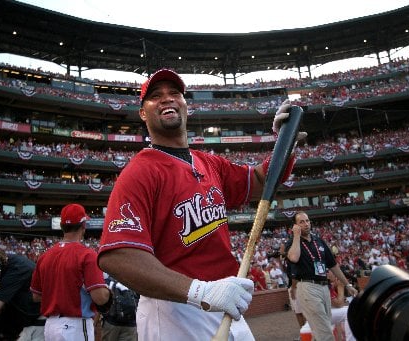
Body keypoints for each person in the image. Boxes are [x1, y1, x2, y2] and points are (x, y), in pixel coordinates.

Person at [97, 68, 305, 340]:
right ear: (143, 113)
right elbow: (117, 255)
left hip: (225, 300)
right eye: (155, 96)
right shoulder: (139, 172)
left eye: (174, 93)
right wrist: (201, 292)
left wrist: (283, 144)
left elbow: (258, 182)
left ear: (185, 105)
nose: (167, 99)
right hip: (176, 308)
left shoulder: (209, 162)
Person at [31, 203, 111, 341]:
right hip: (75, 326)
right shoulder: (87, 255)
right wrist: (108, 292)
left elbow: (36, 296)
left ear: (62, 226)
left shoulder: (45, 255)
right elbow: (100, 298)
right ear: (83, 226)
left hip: (50, 326)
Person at [285, 211, 358, 341]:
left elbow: (333, 265)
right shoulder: (293, 242)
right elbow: (294, 258)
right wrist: (296, 236)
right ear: (295, 226)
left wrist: (348, 285)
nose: (306, 224)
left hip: (324, 287)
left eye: (307, 220)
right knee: (324, 333)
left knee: (322, 330)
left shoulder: (318, 241)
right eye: (301, 222)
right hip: (308, 287)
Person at [101, 274, 139, 341]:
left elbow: (102, 302)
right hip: (131, 323)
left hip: (111, 322)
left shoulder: (108, 280)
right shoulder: (134, 280)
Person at [328, 271, 355, 341]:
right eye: (333, 273)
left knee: (348, 309)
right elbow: (339, 304)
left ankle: (343, 338)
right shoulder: (325, 285)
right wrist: (340, 287)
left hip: (323, 312)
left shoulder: (330, 285)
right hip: (320, 315)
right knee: (349, 312)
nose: (336, 276)